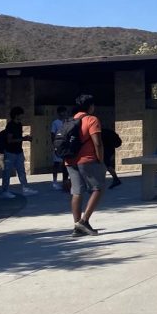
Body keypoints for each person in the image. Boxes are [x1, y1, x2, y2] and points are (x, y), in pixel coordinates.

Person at [64, 94, 105, 234]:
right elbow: (98, 143)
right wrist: (100, 160)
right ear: (90, 106)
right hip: (87, 160)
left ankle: (77, 226)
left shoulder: (70, 120)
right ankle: (84, 221)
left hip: (69, 161)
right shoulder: (91, 120)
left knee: (77, 192)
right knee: (98, 188)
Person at [0, 106, 38, 199]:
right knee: (7, 172)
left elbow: (17, 138)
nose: (22, 116)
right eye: (21, 114)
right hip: (10, 152)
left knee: (21, 171)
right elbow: (9, 140)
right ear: (16, 115)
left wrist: (25, 138)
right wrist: (24, 138)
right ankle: (5, 191)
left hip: (18, 151)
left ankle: (25, 189)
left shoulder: (19, 124)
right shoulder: (10, 125)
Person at [50, 105, 69, 190]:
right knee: (56, 164)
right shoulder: (55, 122)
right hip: (58, 145)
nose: (64, 114)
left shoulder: (68, 122)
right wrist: (54, 145)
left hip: (66, 146)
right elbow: (52, 134)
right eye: (62, 112)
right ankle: (54, 181)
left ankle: (65, 181)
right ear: (58, 113)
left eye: (65, 112)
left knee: (65, 164)